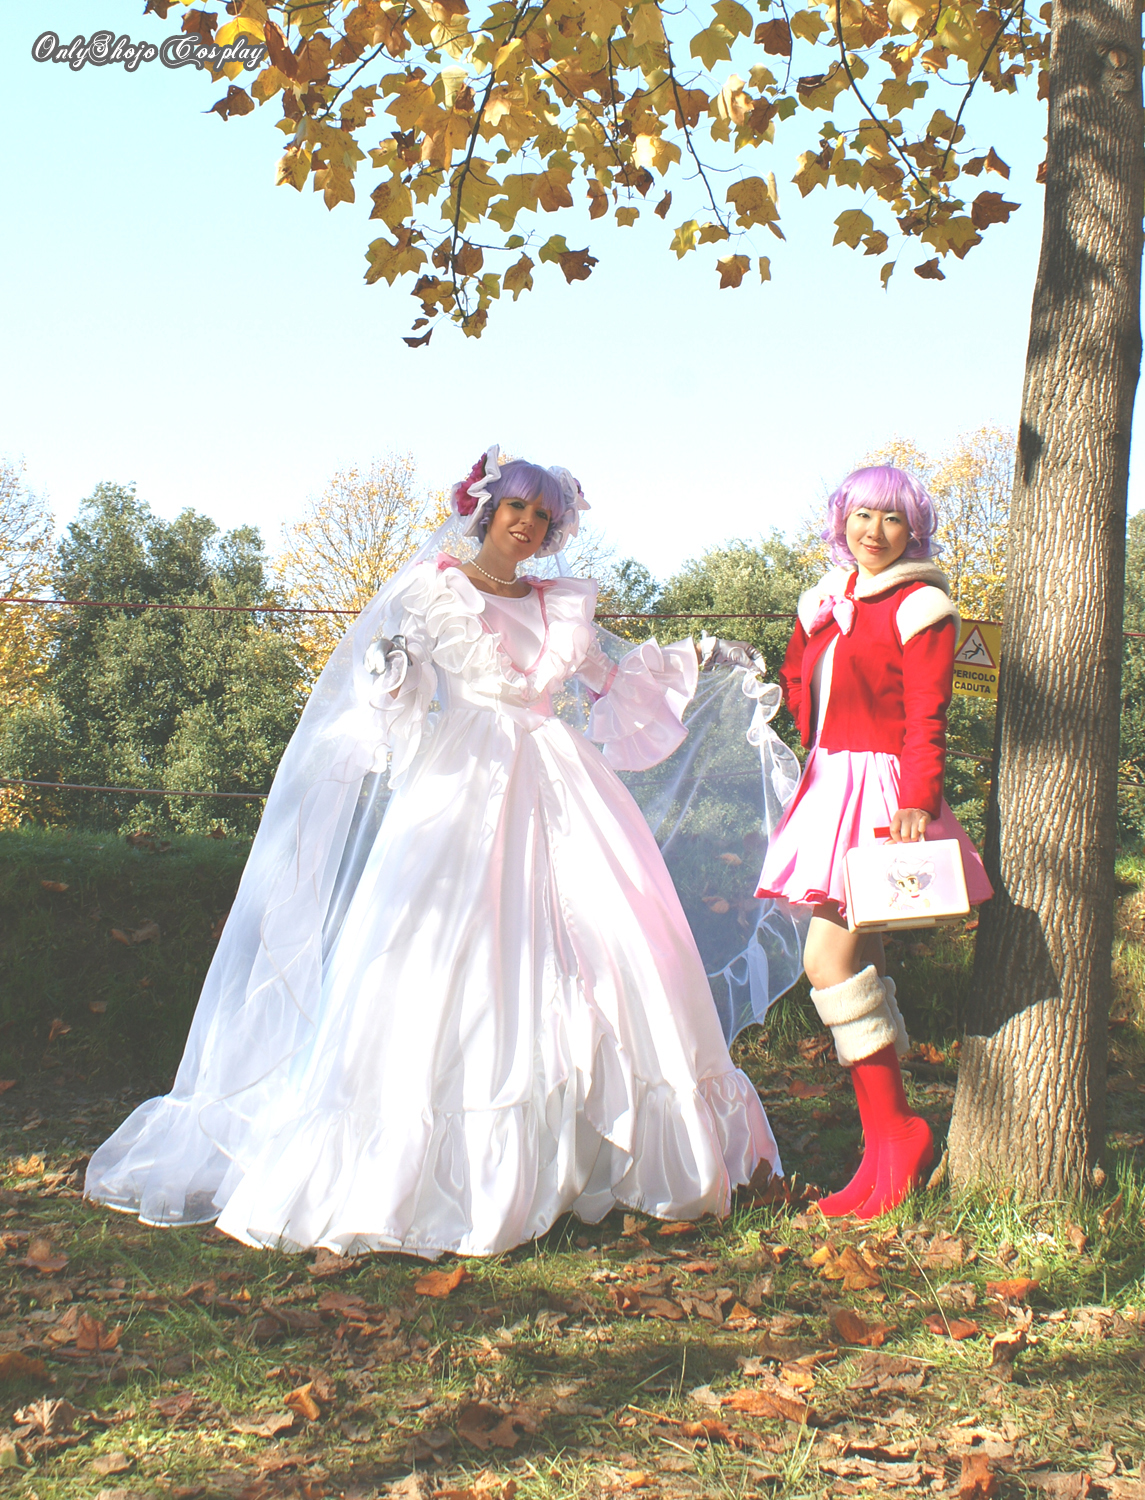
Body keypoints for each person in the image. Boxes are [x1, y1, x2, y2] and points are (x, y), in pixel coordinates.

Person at [85, 447, 781, 1259]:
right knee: (447, 954)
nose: (528, 525)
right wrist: (391, 676)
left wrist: (699, 658)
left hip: (565, 784)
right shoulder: (431, 590)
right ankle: (436, 1176)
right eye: (516, 508)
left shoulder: (561, 607)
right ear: (485, 510)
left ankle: (607, 1153)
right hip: (464, 791)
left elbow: (612, 679)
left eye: (543, 516)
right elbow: (394, 701)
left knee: (614, 945)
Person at [756, 464, 993, 1219]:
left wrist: (918, 799)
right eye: (861, 515)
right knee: (863, 962)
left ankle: (897, 1134)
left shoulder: (922, 606)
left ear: (912, 530)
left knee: (826, 962)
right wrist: (810, 722)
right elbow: (800, 686)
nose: (874, 531)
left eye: (892, 519)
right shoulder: (825, 600)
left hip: (884, 794)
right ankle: (886, 1149)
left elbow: (927, 712)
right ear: (842, 521)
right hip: (830, 782)